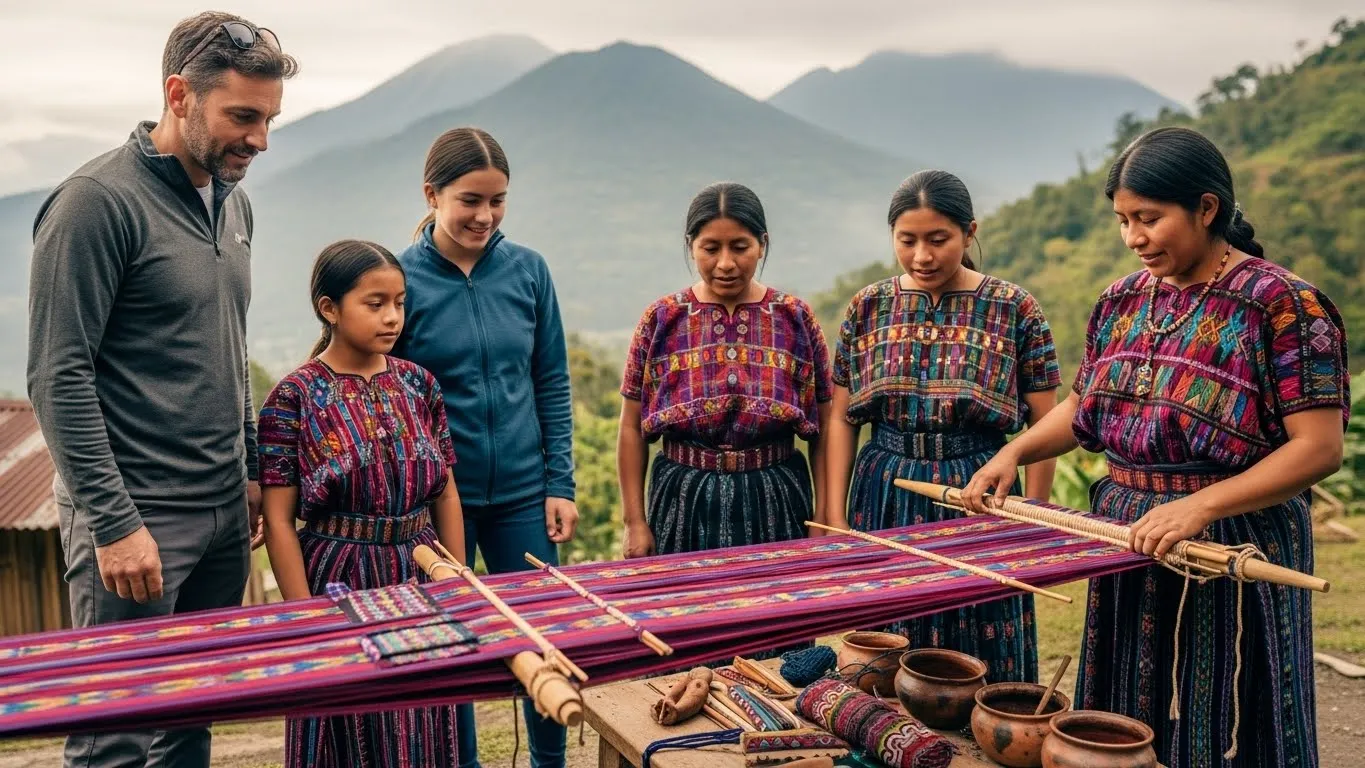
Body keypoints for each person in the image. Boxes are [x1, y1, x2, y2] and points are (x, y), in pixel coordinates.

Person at [963, 126, 1347, 767]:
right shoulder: (1121, 301)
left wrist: (1201, 507)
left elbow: (1317, 448)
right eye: (1122, 221)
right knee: (1121, 708)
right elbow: (1085, 405)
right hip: (1130, 536)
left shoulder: (1282, 305)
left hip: (1234, 543)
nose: (1134, 238)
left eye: (1149, 218)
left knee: (1229, 710)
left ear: (1206, 208)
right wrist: (1014, 453)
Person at [25, 11, 296, 768]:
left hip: (217, 516)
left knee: (189, 718)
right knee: (113, 734)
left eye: (270, 120)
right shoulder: (94, 204)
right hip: (138, 520)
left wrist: (244, 469)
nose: (260, 140)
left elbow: (227, 350)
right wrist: (113, 524)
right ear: (179, 94)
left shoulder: (233, 202)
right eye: (242, 116)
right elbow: (57, 374)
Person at [825, 170, 1061, 685]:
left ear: (969, 232)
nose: (922, 256)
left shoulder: (1014, 308)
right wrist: (835, 514)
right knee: (886, 641)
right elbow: (842, 418)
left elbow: (1045, 423)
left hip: (981, 486)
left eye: (939, 240)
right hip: (883, 486)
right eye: (907, 241)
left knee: (983, 626)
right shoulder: (868, 306)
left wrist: (1034, 516)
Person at [392, 126, 575, 768]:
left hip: (525, 495)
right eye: (470, 199)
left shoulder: (529, 271)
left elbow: (550, 380)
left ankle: (550, 761)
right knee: (455, 641)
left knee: (542, 631)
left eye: (498, 200)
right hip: (440, 502)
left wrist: (561, 484)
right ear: (431, 194)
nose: (485, 215)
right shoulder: (399, 281)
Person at [258, 239, 465, 768]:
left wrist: (458, 578)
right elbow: (280, 521)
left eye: (398, 302)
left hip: (419, 569)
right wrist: (306, 617)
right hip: (339, 575)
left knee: (419, 724)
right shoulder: (294, 398)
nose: (392, 317)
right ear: (329, 309)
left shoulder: (419, 385)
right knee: (348, 723)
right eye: (374, 304)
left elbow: (444, 488)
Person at [617, 181, 832, 560]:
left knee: (776, 610)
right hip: (683, 498)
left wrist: (824, 515)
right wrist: (634, 522)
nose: (726, 263)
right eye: (710, 248)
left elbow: (826, 424)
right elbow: (631, 427)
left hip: (777, 496)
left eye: (740, 247)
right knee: (686, 610)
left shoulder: (794, 317)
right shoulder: (661, 319)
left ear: (762, 243)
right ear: (690, 246)